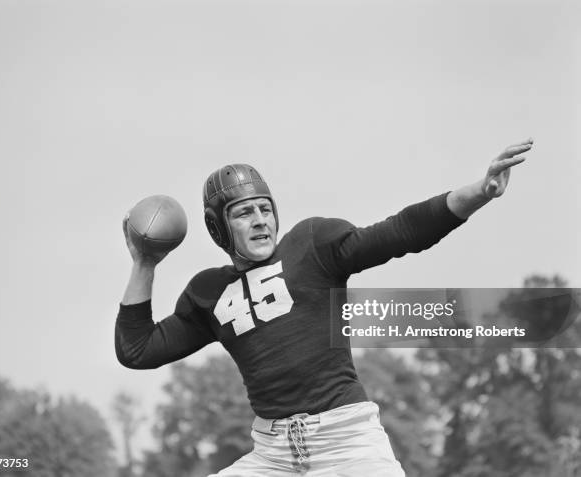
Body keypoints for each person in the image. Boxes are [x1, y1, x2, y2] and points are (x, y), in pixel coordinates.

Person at [115, 138, 533, 476]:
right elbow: (138, 350)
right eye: (244, 213)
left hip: (348, 444)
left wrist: (480, 192)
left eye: (265, 209)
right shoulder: (207, 293)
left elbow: (401, 232)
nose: (261, 220)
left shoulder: (311, 246)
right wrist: (144, 263)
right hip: (273, 456)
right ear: (218, 227)